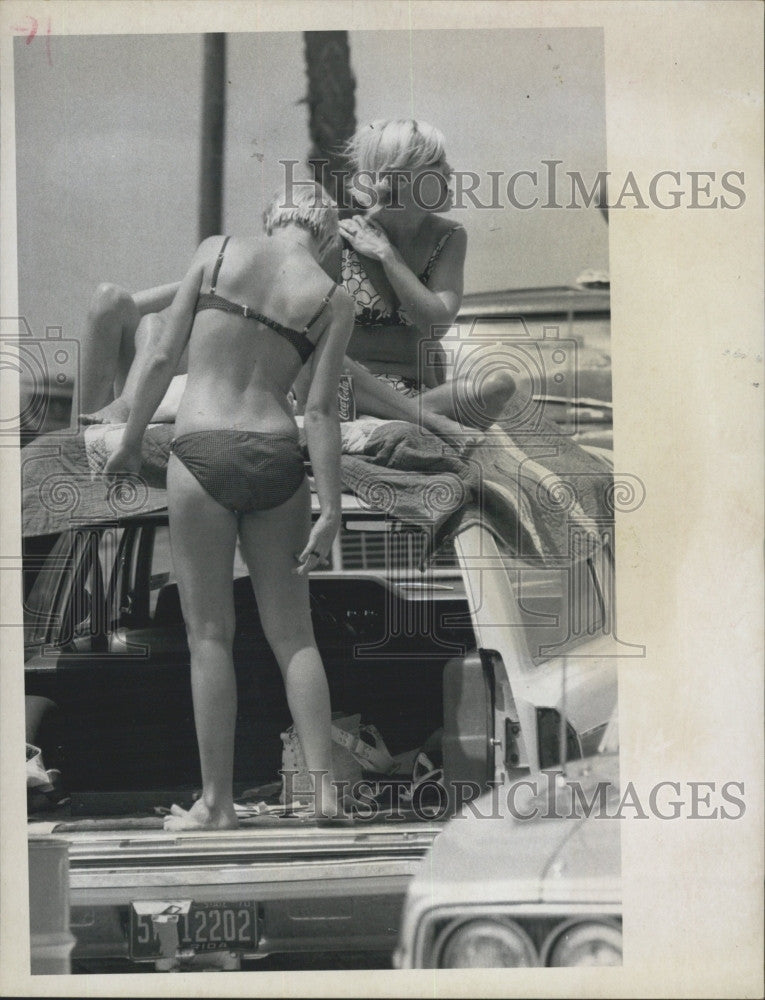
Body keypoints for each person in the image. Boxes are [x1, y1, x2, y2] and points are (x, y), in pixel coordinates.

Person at [104, 184, 354, 830]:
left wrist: (130, 443)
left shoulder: (217, 253)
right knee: (294, 636)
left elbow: (160, 354)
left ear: (270, 220)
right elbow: (320, 411)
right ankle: (325, 793)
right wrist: (330, 508)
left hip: (202, 447)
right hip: (277, 453)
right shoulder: (333, 299)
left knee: (210, 635)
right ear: (326, 237)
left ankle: (216, 805)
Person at [330, 118, 517, 432]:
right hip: (354, 395)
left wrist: (388, 256)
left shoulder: (449, 236)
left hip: (418, 393)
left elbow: (437, 324)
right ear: (400, 178)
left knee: (496, 384)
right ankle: (414, 420)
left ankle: (396, 421)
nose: (450, 171)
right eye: (437, 163)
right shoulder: (343, 237)